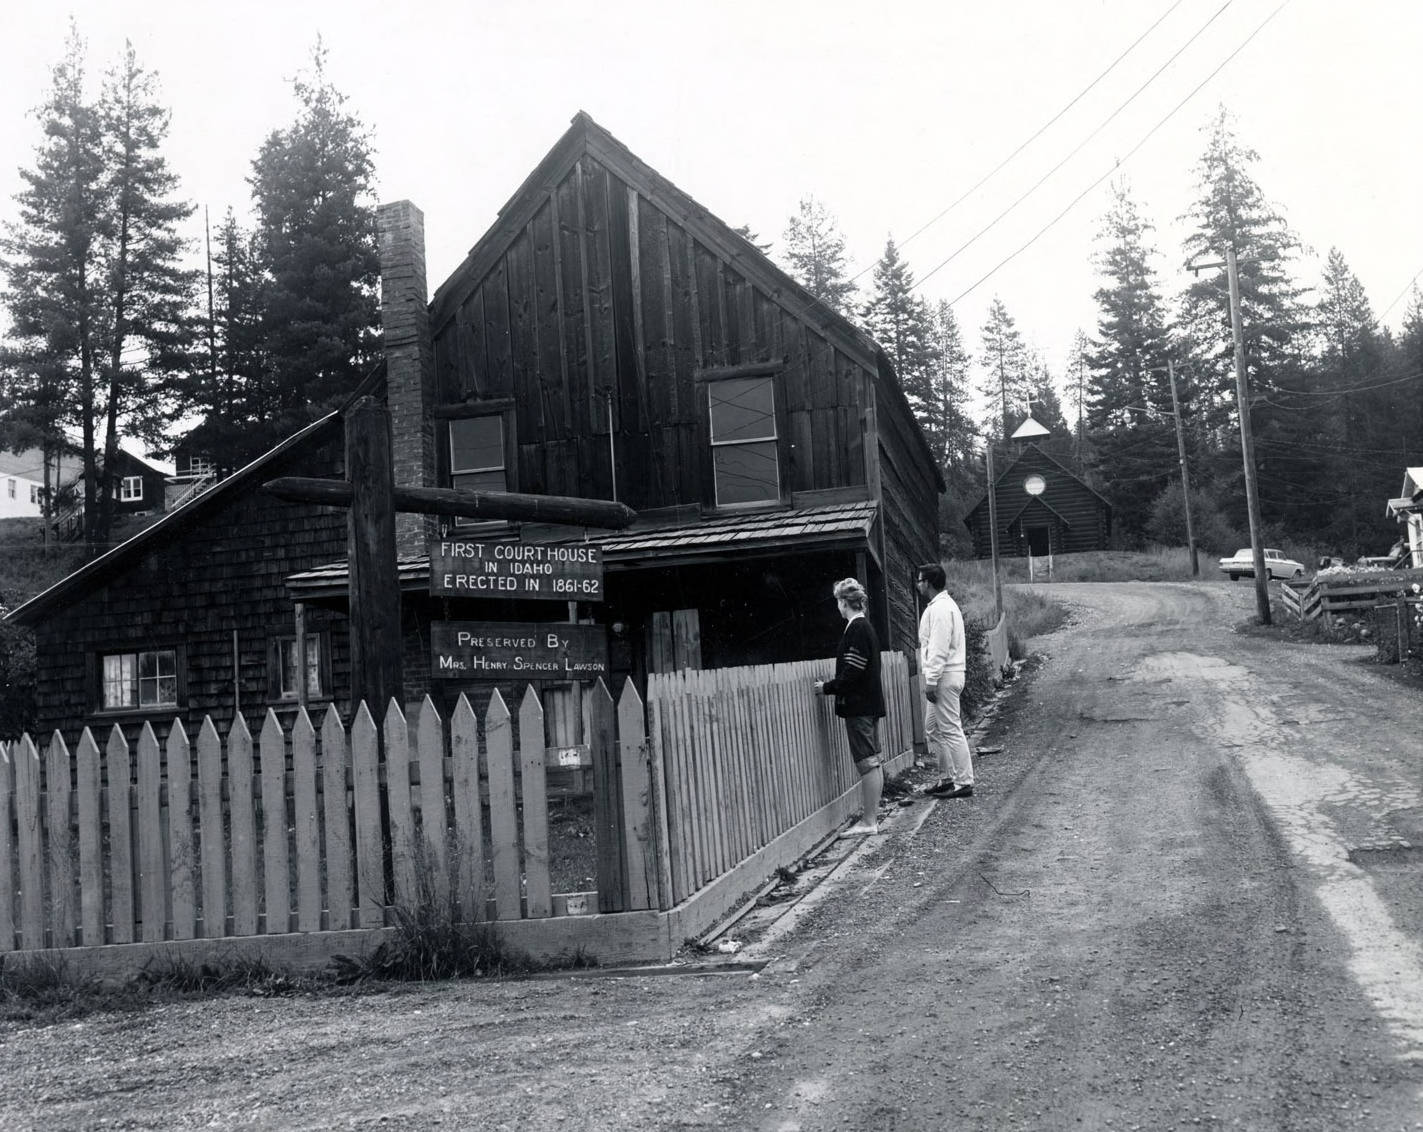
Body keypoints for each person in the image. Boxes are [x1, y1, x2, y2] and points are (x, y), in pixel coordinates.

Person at [813, 578, 886, 837]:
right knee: (873, 761)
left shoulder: (856, 629)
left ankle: (869, 821)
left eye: (838, 602)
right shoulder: (866, 627)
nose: (838, 607)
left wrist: (827, 687)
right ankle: (872, 817)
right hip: (869, 703)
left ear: (844, 603)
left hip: (859, 706)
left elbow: (852, 671)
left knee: (867, 763)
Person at [916, 562, 974, 799]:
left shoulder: (940, 609)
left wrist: (931, 680)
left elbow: (938, 648)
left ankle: (964, 781)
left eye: (920, 580)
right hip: (945, 674)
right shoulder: (940, 606)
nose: (918, 584)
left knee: (950, 728)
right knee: (932, 727)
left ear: (928, 583)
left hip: (944, 676)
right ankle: (948, 777)